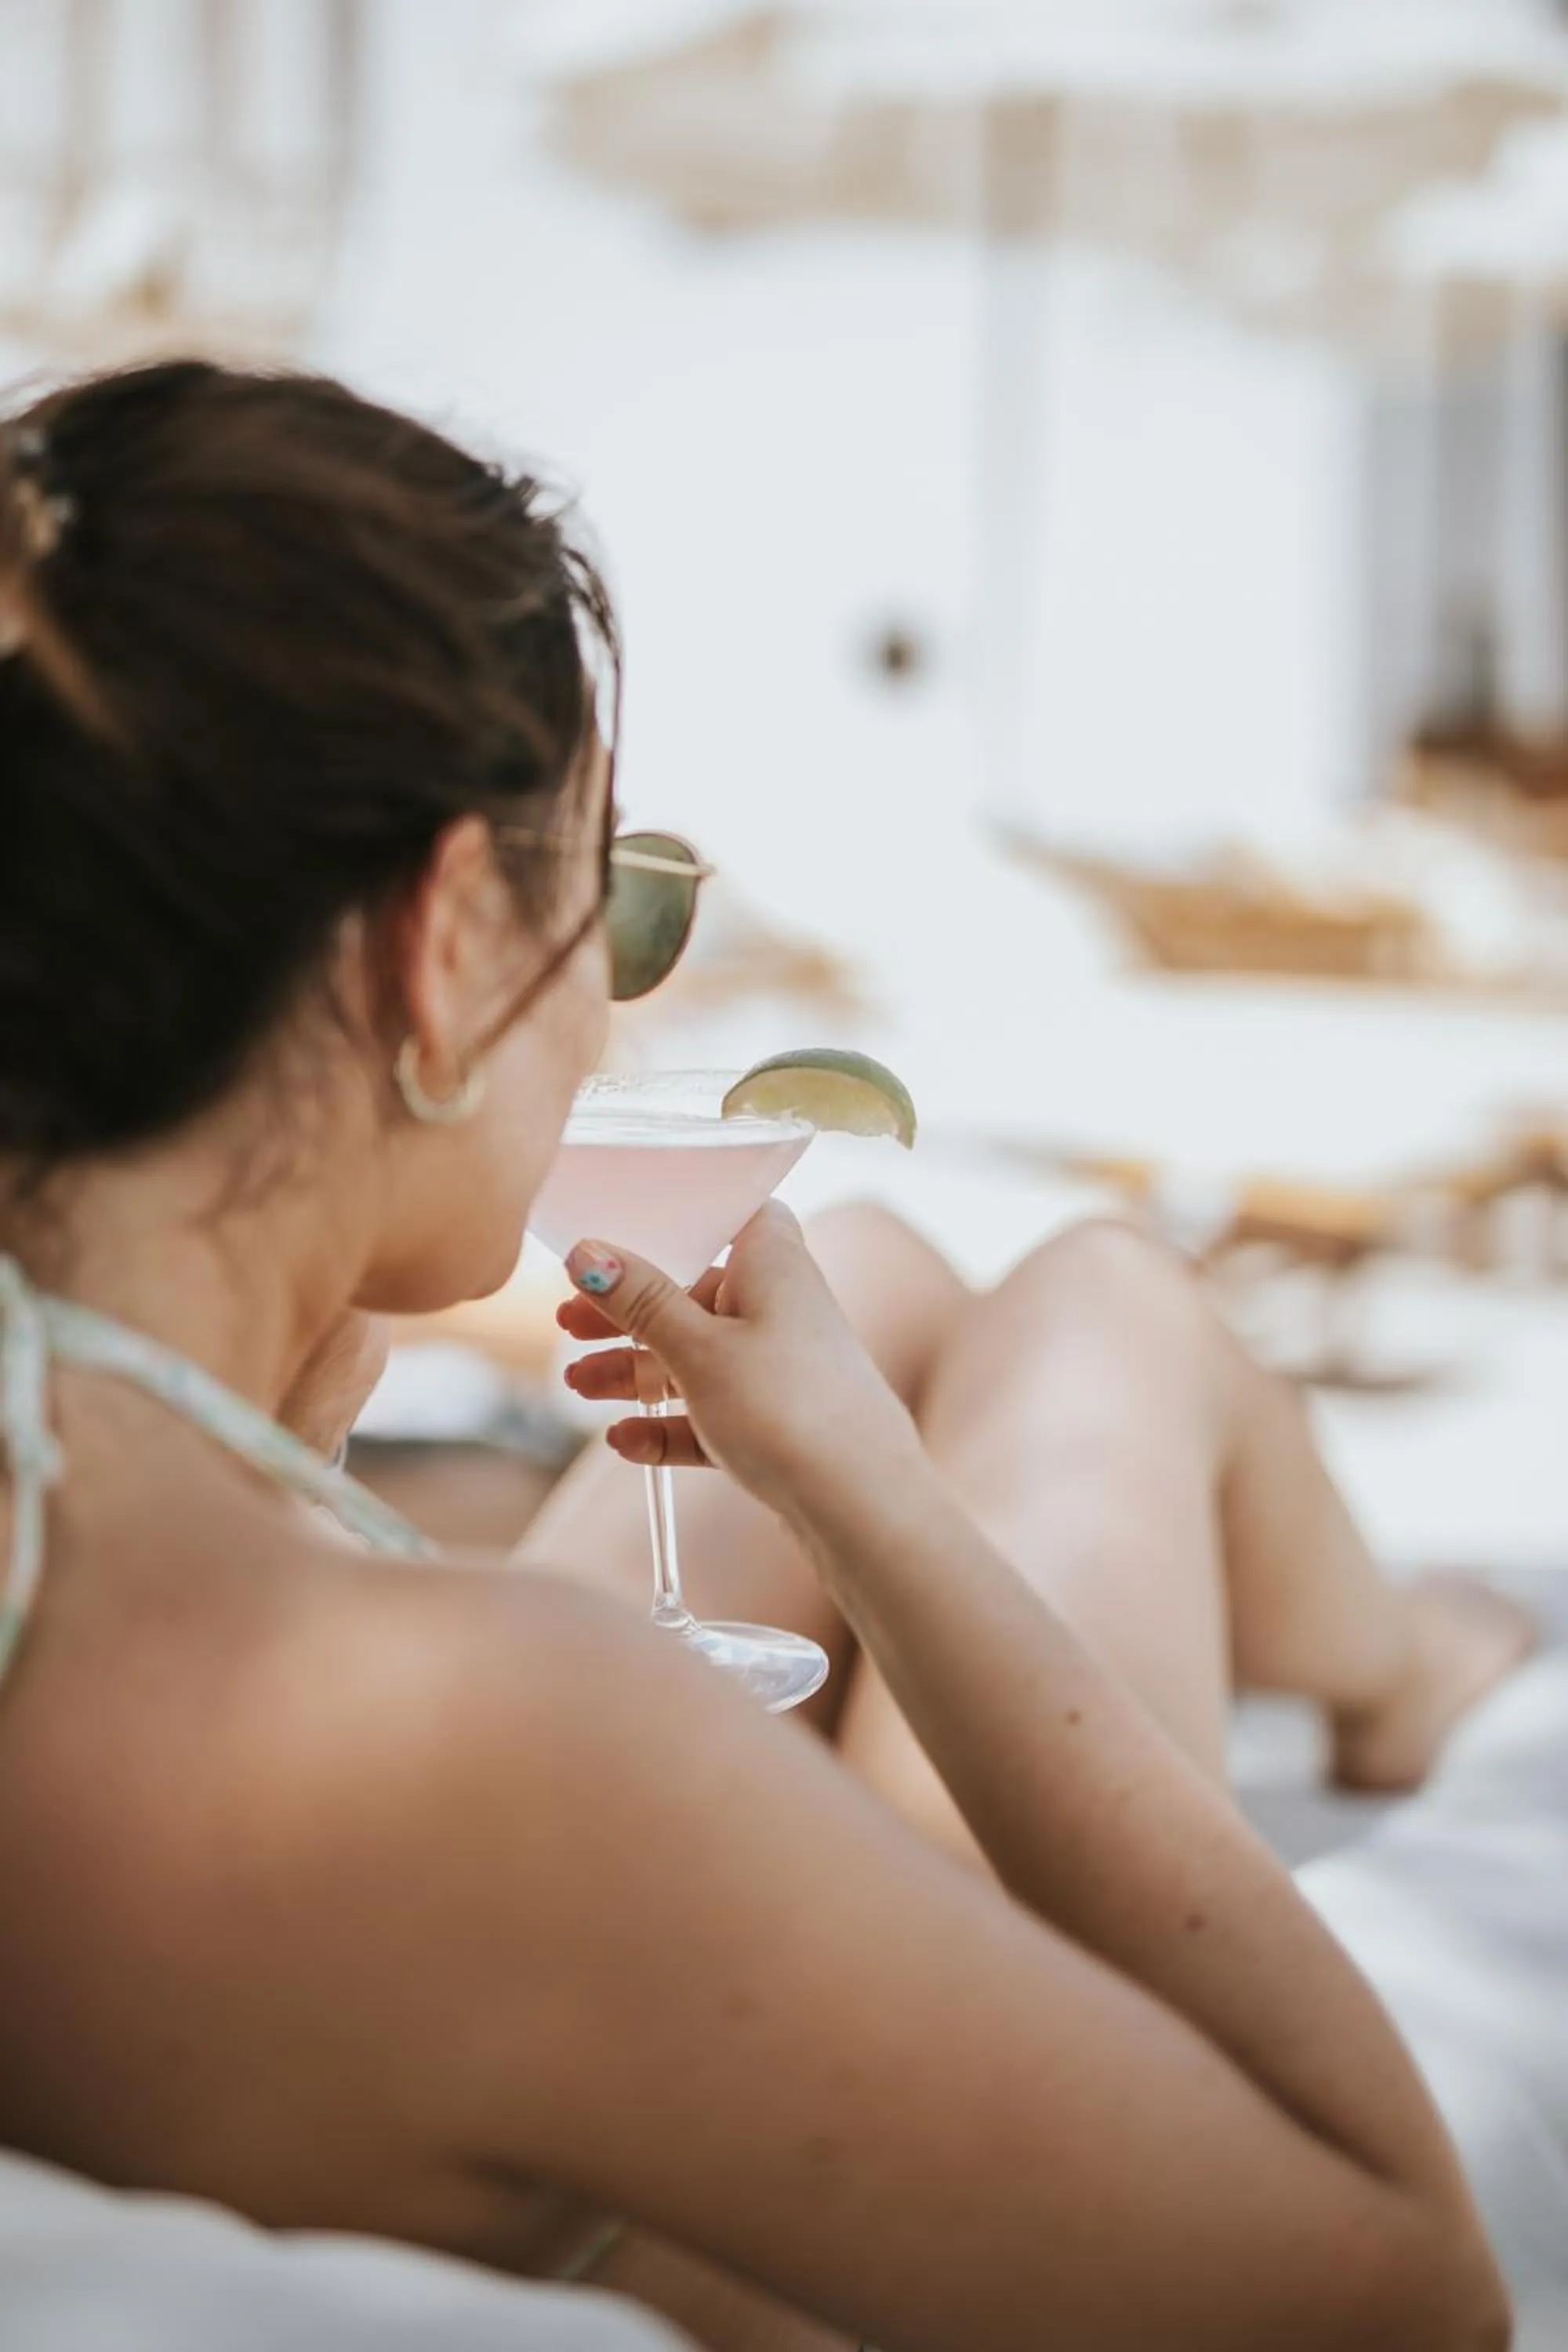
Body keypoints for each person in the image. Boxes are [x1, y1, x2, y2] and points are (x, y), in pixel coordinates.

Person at [0, 359, 1521, 2352]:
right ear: (443, 940)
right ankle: (1415, 1669)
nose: (611, 1013)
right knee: (1098, 1312)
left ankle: (1399, 1650)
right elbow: (1404, 2296)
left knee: (863, 1261)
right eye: (613, 913)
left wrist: (278, 1444)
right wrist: (876, 1502)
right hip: (550, 1971)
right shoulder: (497, 1746)